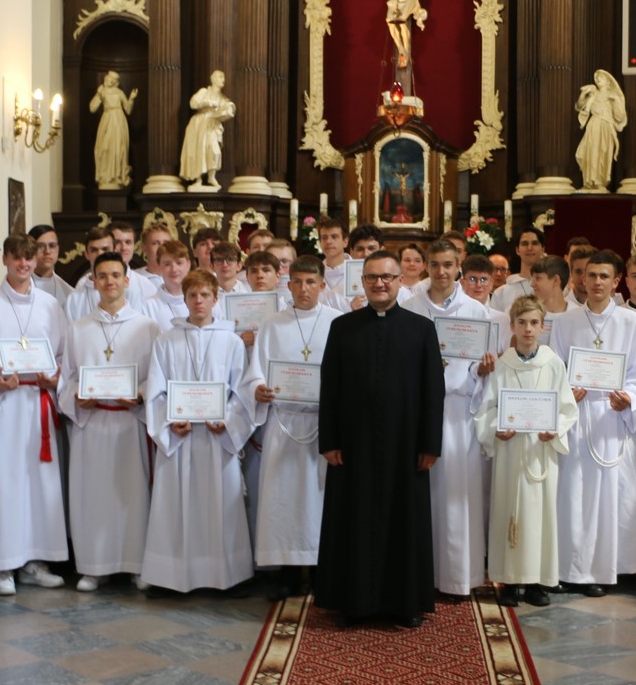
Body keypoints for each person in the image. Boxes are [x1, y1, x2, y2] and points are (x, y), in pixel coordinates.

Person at [317, 250, 445, 626]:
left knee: (405, 521)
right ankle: (351, 603)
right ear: (363, 282)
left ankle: (405, 605)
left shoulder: (421, 329)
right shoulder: (342, 328)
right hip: (352, 447)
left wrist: (430, 445)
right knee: (350, 521)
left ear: (400, 281)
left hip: (405, 448)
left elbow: (433, 392)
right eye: (372, 277)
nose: (379, 283)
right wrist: (330, 440)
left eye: (387, 277)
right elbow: (330, 388)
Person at [143, 269, 258, 593]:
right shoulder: (167, 341)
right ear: (184, 299)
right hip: (179, 438)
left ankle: (224, 575)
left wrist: (228, 422)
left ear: (215, 299)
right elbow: (156, 390)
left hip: (215, 438)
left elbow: (241, 393)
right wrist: (168, 421)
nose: (198, 301)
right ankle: (171, 576)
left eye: (205, 295)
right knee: (176, 507)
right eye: (192, 295)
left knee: (219, 505)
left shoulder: (232, 342)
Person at [549, 249, 636, 596]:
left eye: (604, 276)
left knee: (608, 498)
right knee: (573, 494)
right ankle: (569, 569)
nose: (596, 282)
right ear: (581, 279)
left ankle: (601, 570)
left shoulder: (632, 323)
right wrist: (567, 394)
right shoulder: (565, 322)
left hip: (611, 417)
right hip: (578, 417)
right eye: (590, 275)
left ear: (616, 281)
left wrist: (630, 401)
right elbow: (555, 373)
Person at [58, 252, 161, 592]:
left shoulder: (147, 327)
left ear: (127, 280)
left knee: (131, 495)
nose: (110, 282)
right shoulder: (78, 329)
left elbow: (156, 377)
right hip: (93, 424)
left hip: (129, 423)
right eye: (102, 276)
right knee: (93, 495)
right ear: (94, 281)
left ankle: (136, 565)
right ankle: (94, 566)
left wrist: (142, 394)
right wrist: (77, 396)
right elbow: (67, 378)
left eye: (116, 275)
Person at [405, 240, 496, 600]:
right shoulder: (409, 306)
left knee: (458, 496)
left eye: (447, 264)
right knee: (422, 494)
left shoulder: (475, 311)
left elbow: (479, 363)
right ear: (426, 266)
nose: (441, 271)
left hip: (460, 411)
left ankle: (458, 577)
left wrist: (484, 369)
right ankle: (418, 574)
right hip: (418, 411)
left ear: (458, 266)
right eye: (434, 264)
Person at [0, 234, 70, 595]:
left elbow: (65, 355)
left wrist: (57, 376)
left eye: (29, 259)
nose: (24, 265)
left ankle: (37, 561)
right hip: (6, 407)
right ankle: (4, 565)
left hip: (38, 405)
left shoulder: (50, 305)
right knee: (7, 483)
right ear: (5, 259)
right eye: (17, 258)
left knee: (39, 484)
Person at [477, 296, 579, 606]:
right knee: (509, 510)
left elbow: (567, 407)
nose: (528, 329)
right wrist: (497, 429)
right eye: (522, 323)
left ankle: (537, 582)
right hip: (510, 450)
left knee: (541, 514)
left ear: (543, 326)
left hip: (540, 450)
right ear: (512, 326)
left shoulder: (553, 363)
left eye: (534, 323)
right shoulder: (502, 364)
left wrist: (556, 429)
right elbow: (487, 407)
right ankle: (508, 581)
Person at [250, 255, 339, 596]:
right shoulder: (272, 324)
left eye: (311, 282)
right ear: (289, 286)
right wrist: (258, 387)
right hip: (283, 423)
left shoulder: (337, 322)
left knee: (318, 500)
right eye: (298, 282)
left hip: (321, 423)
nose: (304, 289)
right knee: (282, 498)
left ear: (322, 285)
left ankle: (321, 573)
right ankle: (287, 573)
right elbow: (257, 369)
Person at [68, 225, 147, 320]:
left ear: (115, 250)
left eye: (105, 249)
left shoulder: (134, 287)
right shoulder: (75, 298)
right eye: (94, 250)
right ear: (86, 254)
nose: (100, 254)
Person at [575, 70, 626, 192]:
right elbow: (579, 106)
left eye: (601, 77)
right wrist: (583, 95)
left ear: (608, 81)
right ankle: (589, 182)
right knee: (588, 151)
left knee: (603, 152)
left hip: (605, 126)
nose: (597, 79)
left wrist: (616, 100)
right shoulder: (593, 94)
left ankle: (599, 182)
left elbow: (619, 116)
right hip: (593, 125)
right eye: (596, 77)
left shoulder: (612, 95)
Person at [89, 70, 137, 189]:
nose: (108, 80)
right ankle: (105, 176)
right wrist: (98, 94)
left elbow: (128, 109)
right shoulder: (102, 91)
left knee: (118, 148)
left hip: (119, 120)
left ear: (115, 82)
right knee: (104, 147)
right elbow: (92, 108)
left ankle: (117, 176)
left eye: (111, 79)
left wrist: (131, 98)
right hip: (107, 120)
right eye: (107, 78)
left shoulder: (119, 93)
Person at [490, 228, 545, 313]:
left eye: (534, 243)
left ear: (542, 249)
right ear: (517, 250)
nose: (530, 248)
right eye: (524, 244)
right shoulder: (501, 293)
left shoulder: (551, 287)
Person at [145, 239, 194, 330]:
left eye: (179, 263)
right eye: (167, 264)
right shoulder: (148, 306)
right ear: (159, 268)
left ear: (188, 265)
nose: (174, 269)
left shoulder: (202, 299)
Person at [29, 224, 74, 301]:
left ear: (58, 249)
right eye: (41, 246)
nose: (47, 251)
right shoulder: (20, 286)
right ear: (30, 249)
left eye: (52, 246)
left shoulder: (69, 292)